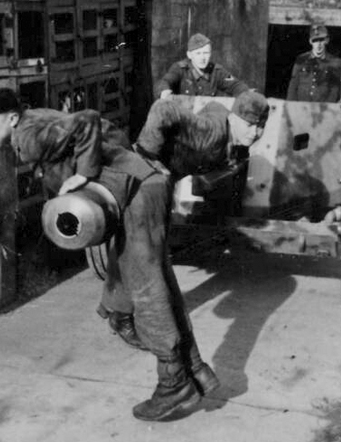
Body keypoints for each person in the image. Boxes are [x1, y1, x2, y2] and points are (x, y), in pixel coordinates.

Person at [0, 81, 216, 422]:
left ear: (10, 118)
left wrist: (82, 175)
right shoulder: (31, 126)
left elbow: (89, 120)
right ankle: (195, 370)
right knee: (144, 291)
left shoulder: (28, 134)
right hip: (142, 188)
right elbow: (106, 135)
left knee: (146, 292)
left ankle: (175, 386)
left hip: (138, 195)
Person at [97, 90, 270, 356]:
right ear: (234, 118)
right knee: (143, 250)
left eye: (261, 126)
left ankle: (113, 308)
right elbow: (164, 108)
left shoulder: (226, 131)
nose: (255, 132)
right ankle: (121, 317)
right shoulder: (212, 132)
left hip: (160, 182)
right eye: (250, 124)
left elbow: (214, 105)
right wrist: (149, 155)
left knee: (137, 245)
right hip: (145, 179)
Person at [154, 33, 251, 100]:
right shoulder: (180, 69)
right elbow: (164, 81)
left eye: (206, 53)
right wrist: (164, 91)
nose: (202, 57)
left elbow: (236, 85)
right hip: (186, 120)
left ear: (211, 53)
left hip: (207, 121)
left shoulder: (216, 71)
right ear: (189, 55)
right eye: (198, 53)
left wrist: (246, 93)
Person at [286, 23, 341, 103]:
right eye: (315, 40)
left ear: (326, 40)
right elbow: (293, 85)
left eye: (321, 40)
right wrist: (291, 107)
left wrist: (327, 108)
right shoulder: (301, 59)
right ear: (310, 41)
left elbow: (335, 90)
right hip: (302, 107)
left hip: (323, 109)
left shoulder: (334, 62)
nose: (318, 44)